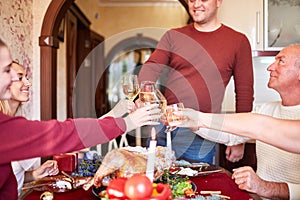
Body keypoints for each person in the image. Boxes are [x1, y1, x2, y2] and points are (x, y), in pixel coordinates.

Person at [0, 38, 161, 199]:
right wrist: (126, 122)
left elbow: (10, 174)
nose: (24, 81)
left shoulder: (10, 122)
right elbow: (64, 135)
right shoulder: (5, 129)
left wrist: (33, 175)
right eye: (8, 71)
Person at [177, 44, 300, 199]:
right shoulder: (266, 109)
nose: (270, 67)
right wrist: (192, 122)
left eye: (281, 61)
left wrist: (264, 187)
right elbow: (231, 135)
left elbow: (258, 126)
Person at [138, 0, 254, 164]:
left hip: (202, 131)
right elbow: (152, 67)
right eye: (192, 0)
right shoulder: (173, 36)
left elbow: (244, 93)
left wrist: (239, 139)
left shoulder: (238, 41)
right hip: (163, 124)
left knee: (197, 186)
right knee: (157, 181)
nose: (196, 4)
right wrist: (143, 94)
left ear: (219, 1)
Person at [0, 61, 59, 196]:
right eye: (20, 78)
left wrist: (34, 175)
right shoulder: (8, 130)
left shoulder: (15, 124)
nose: (28, 83)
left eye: (26, 77)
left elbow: (10, 176)